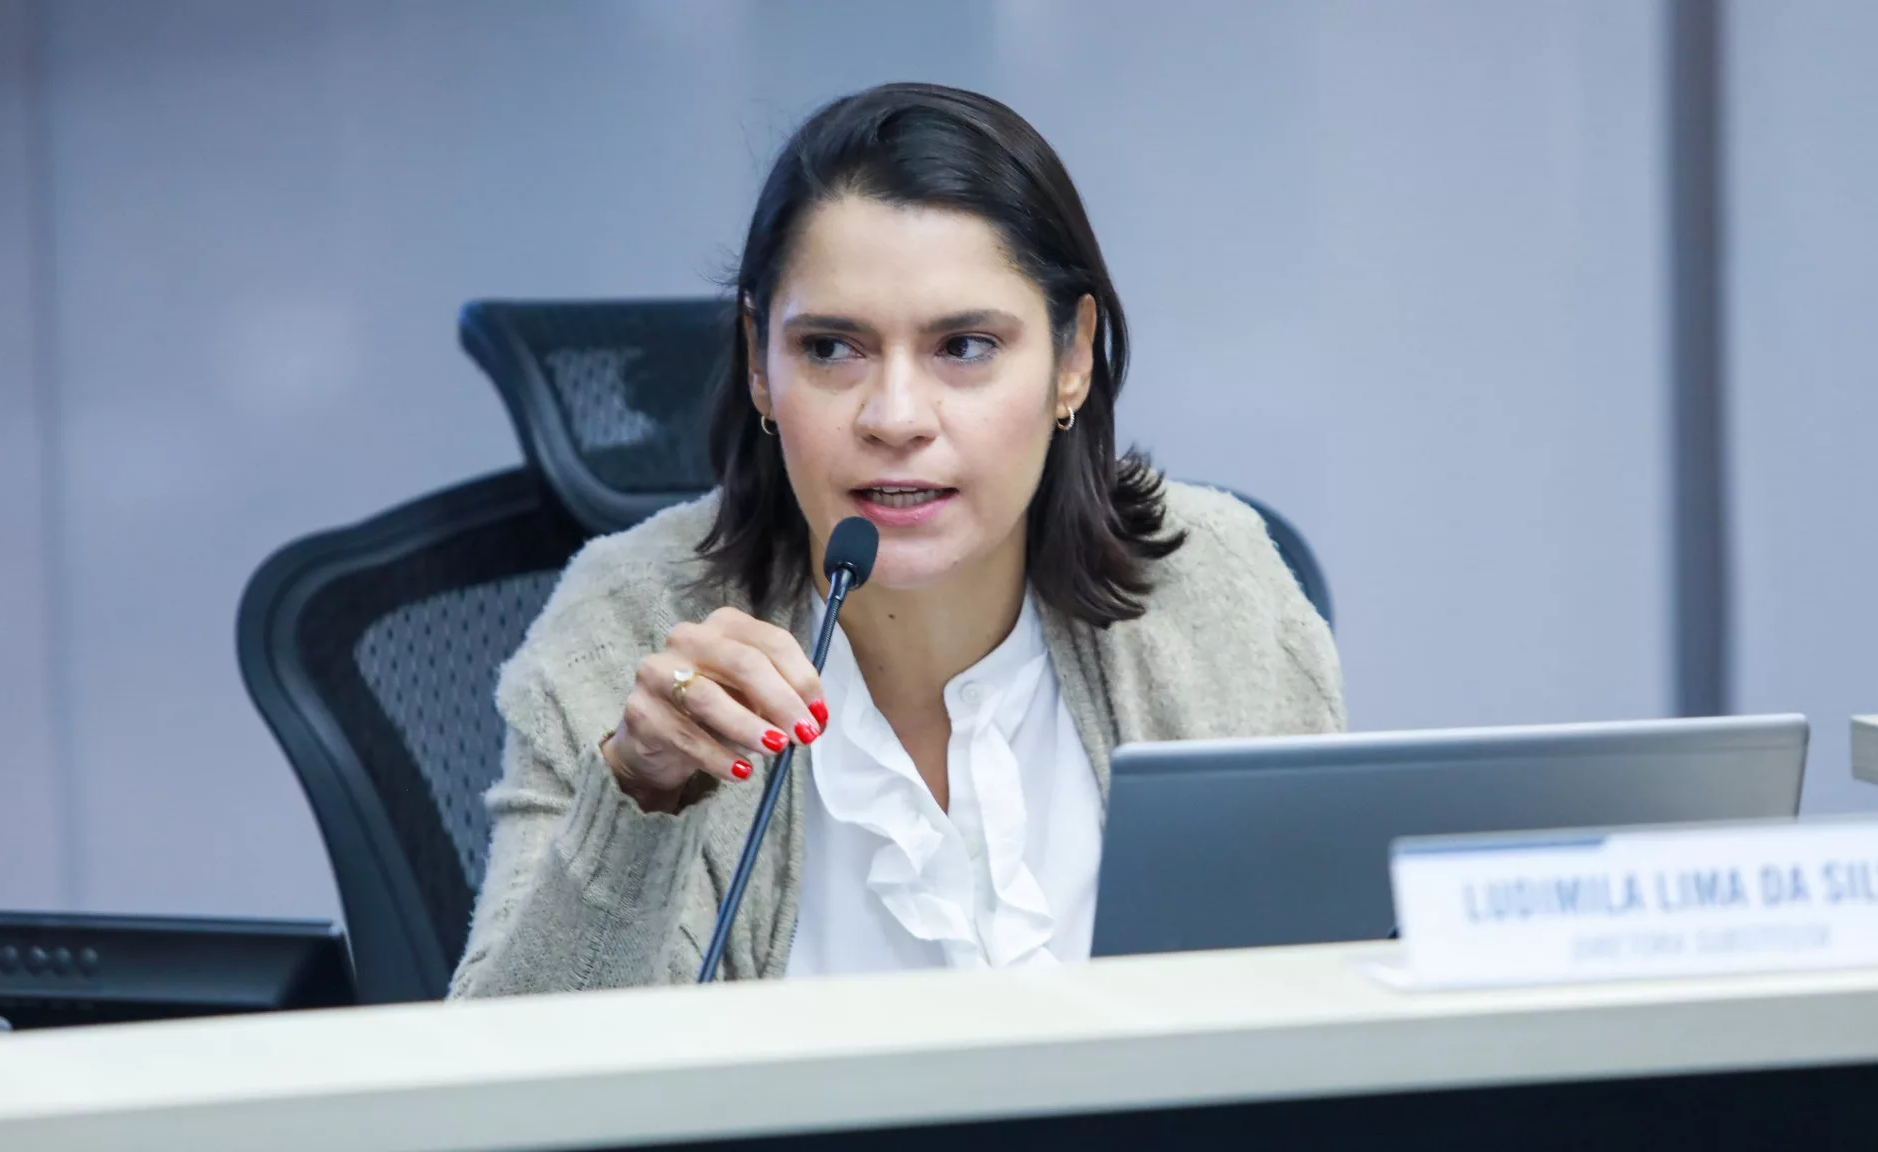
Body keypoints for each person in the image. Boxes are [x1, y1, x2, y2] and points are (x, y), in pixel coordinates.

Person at [450, 82, 1343, 995]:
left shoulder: (1211, 585)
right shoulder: (625, 624)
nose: (896, 416)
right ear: (760, 361)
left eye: (964, 347)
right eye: (832, 349)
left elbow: (1338, 1020)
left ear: (1072, 357)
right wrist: (640, 796)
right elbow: (500, 1094)